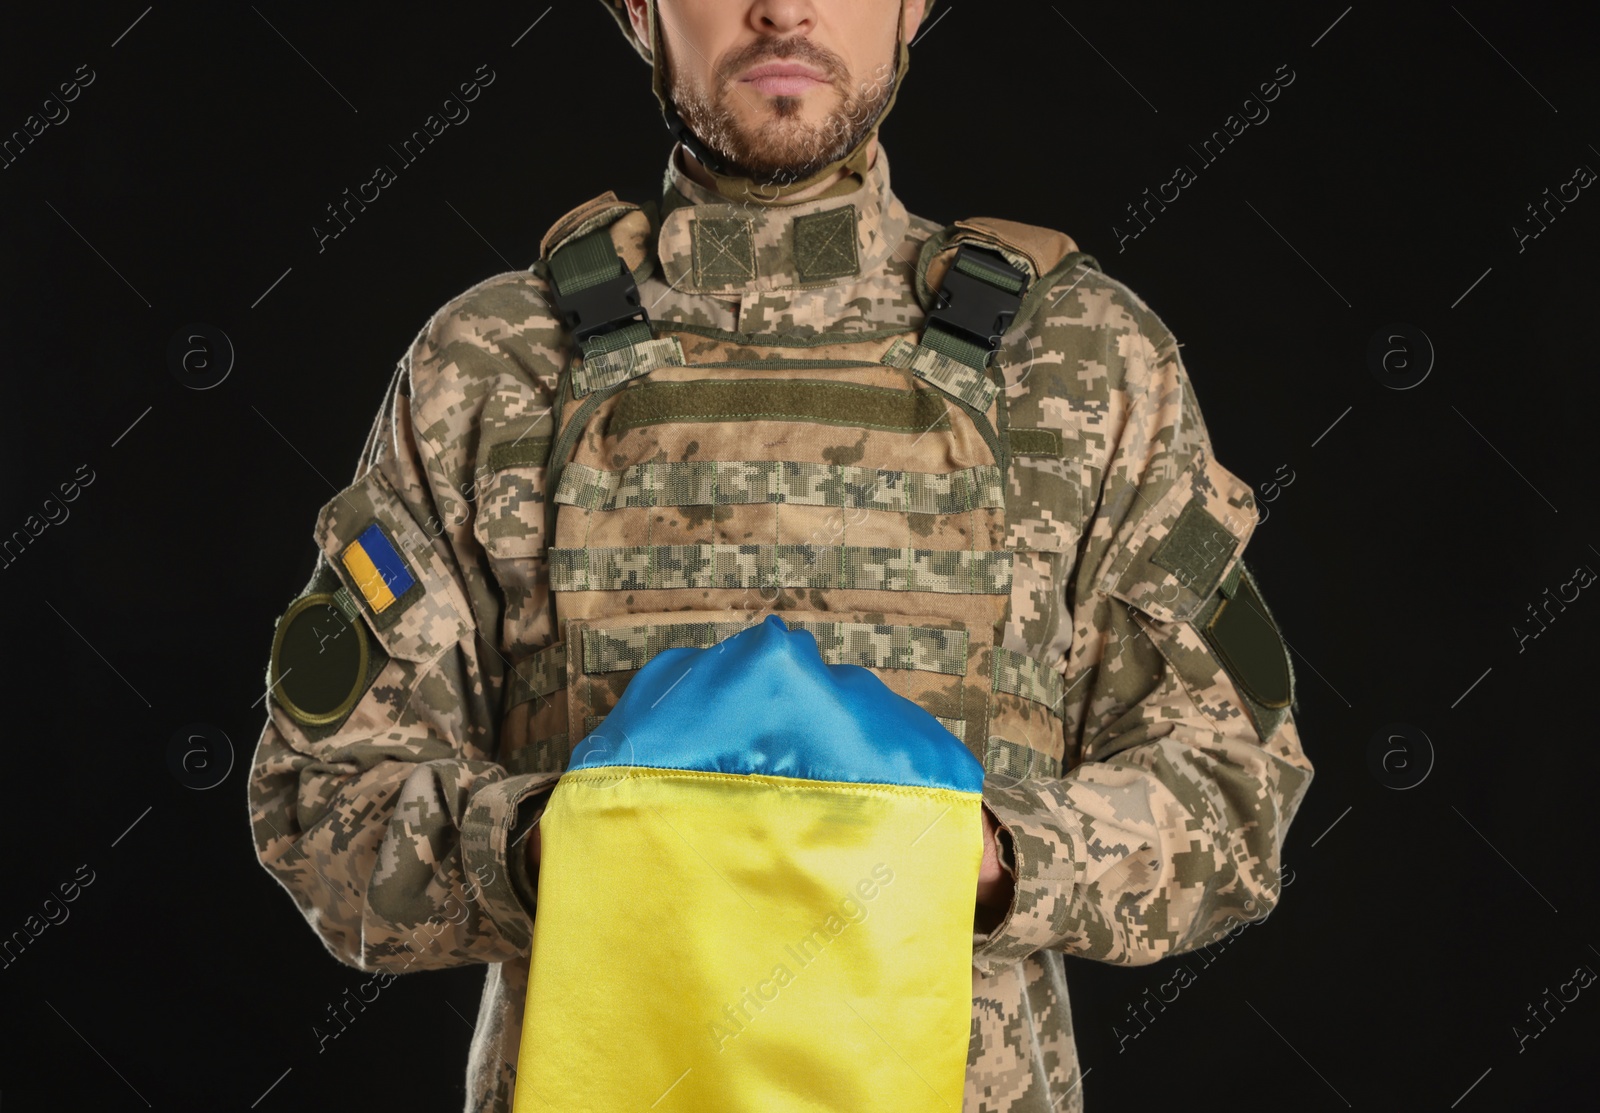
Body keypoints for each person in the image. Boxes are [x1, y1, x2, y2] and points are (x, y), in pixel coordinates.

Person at [247, 2, 1315, 1110]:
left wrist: (988, 858)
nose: (785, 10)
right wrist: (552, 847)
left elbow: (1234, 796)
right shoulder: (491, 366)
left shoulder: (1080, 363)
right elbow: (319, 808)